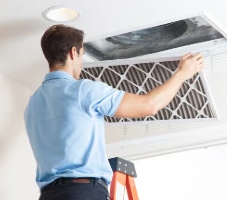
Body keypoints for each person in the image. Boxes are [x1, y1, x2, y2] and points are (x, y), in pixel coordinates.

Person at [24, 24, 204, 200]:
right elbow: (148, 105)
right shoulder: (83, 90)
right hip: (82, 192)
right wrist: (182, 73)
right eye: (81, 56)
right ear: (73, 53)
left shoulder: (32, 104)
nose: (81, 65)